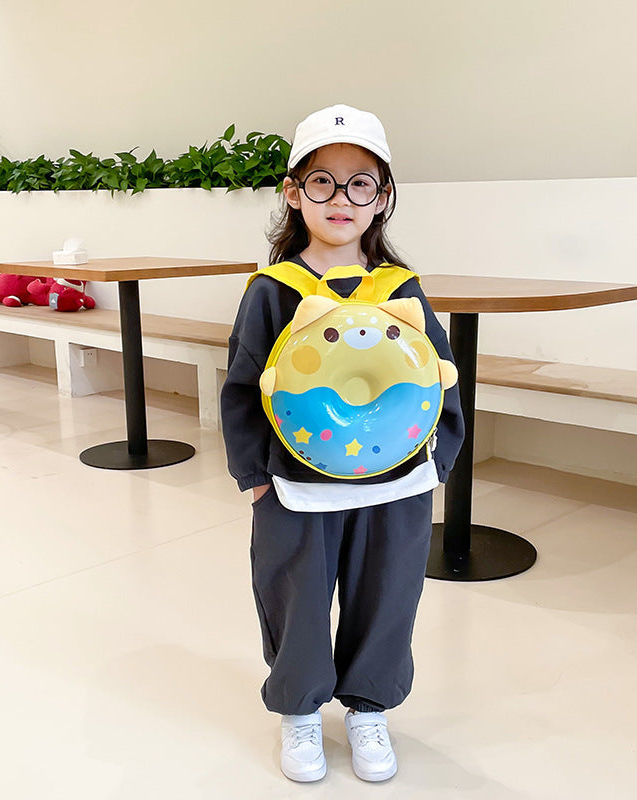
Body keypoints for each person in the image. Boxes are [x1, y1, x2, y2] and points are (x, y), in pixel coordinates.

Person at [220, 104, 464, 783]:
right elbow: (243, 385)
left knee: (387, 595)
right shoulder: (274, 291)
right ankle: (299, 712)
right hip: (297, 488)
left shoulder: (400, 288)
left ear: (382, 198)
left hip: (399, 485)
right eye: (322, 182)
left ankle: (368, 708)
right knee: (296, 593)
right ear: (294, 194)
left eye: (361, 183)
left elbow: (438, 378)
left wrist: (438, 459)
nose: (341, 199)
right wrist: (256, 475)